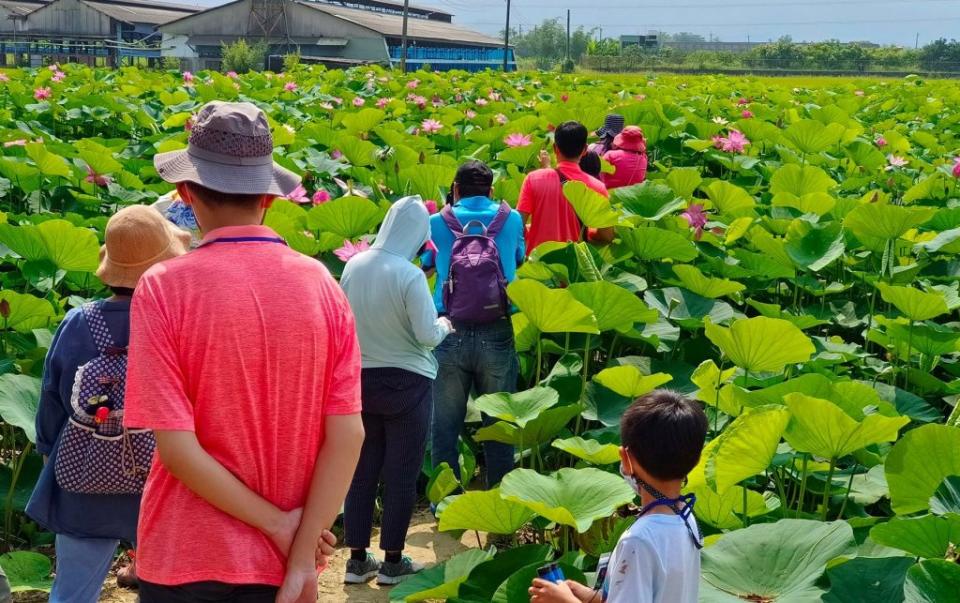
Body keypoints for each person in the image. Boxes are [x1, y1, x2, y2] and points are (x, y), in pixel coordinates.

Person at [123, 101, 361, 603]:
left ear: (185, 193)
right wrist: (299, 554)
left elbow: (178, 451)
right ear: (269, 198)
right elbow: (348, 435)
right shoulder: (323, 285)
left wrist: (280, 526)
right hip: (282, 570)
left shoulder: (163, 287)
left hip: (182, 558)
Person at [25, 206, 189, 603]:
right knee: (171, 592)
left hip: (84, 477)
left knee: (72, 592)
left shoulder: (79, 323)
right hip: (162, 476)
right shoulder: (179, 319)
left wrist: (50, 454)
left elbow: (52, 401)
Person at [340, 197, 453, 585]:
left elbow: (343, 323)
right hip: (408, 383)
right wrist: (445, 325)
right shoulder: (409, 274)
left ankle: (356, 560)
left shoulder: (354, 266)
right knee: (401, 475)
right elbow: (426, 335)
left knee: (361, 471)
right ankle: (392, 562)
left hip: (360, 381)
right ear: (419, 234)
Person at [529, 390, 708, 603]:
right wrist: (590, 597)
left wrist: (566, 601)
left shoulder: (639, 541)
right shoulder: (687, 518)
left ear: (625, 458)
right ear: (696, 459)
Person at [422, 160, 525, 488]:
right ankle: (501, 500)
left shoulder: (437, 221)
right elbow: (518, 259)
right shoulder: (512, 219)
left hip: (448, 329)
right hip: (497, 327)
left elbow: (427, 264)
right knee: (498, 424)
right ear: (492, 191)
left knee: (445, 426)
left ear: (455, 190)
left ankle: (444, 500)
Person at [518, 121, 614, 256]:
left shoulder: (533, 178)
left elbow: (518, 225)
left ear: (555, 147)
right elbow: (606, 236)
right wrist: (587, 233)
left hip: (537, 262)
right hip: (575, 265)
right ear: (585, 150)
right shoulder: (597, 187)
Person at [602, 126, 648, 190]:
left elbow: (598, 174)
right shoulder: (643, 158)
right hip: (632, 196)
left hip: (609, 194)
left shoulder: (611, 155)